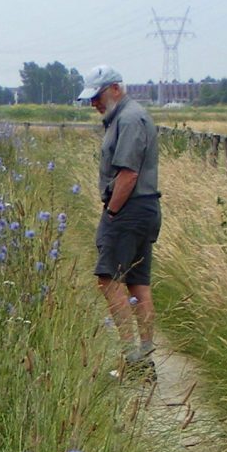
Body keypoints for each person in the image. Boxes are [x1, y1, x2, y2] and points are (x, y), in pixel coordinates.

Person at [77, 66, 161, 366]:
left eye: (97, 96)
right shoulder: (126, 116)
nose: (93, 103)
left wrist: (112, 212)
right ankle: (145, 356)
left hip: (129, 208)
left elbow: (128, 173)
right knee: (137, 282)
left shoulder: (129, 119)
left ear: (115, 89)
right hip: (141, 208)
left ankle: (131, 356)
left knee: (108, 278)